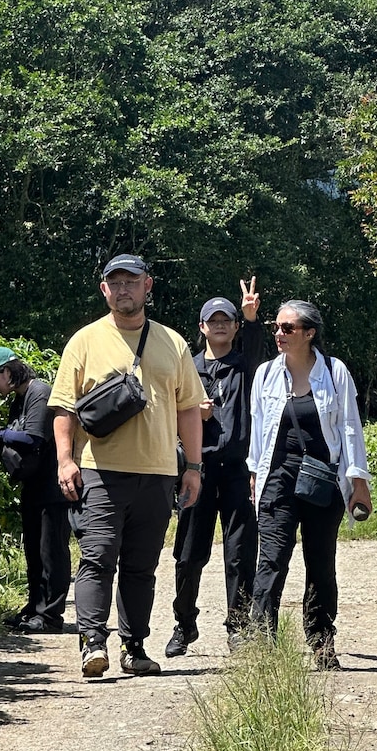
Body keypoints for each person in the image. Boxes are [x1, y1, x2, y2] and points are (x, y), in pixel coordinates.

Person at [50, 255, 205, 680]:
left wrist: (193, 466)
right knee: (97, 556)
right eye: (114, 282)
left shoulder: (172, 343)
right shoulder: (84, 341)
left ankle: (134, 647)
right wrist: (65, 460)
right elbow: (63, 408)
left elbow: (189, 409)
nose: (123, 289)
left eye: (131, 281)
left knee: (141, 564)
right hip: (100, 470)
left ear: (147, 286)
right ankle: (93, 642)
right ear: (104, 290)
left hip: (157, 473)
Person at [247, 300, 372, 670]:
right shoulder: (266, 375)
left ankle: (321, 643)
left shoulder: (334, 372)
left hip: (323, 478)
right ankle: (263, 646)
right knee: (271, 560)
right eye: (277, 327)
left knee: (320, 564)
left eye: (288, 328)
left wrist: (358, 481)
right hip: (277, 479)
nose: (279, 334)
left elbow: (350, 427)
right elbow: (258, 432)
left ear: (310, 332)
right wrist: (255, 475)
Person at [166, 277, 271, 657]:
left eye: (228, 319)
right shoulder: (187, 369)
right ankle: (184, 623)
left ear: (236, 326)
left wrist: (253, 318)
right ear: (202, 327)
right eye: (214, 320)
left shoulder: (247, 367)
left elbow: (259, 351)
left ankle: (238, 626)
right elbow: (166, 414)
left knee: (240, 553)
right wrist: (194, 413)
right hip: (198, 469)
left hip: (238, 472)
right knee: (189, 554)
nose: (221, 325)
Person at [0, 346, 72, 634]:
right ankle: (34, 608)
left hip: (51, 487)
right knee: (33, 550)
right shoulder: (19, 399)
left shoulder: (39, 392)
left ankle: (51, 616)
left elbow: (33, 437)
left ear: (7, 371)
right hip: (33, 485)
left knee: (51, 551)